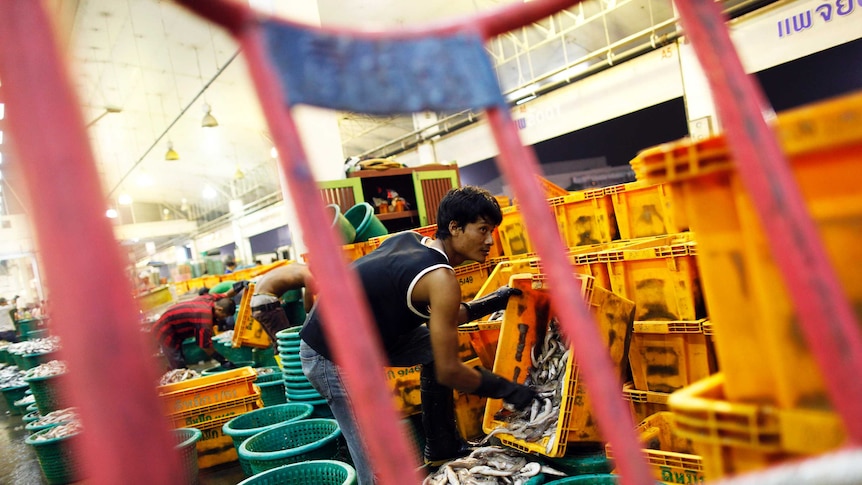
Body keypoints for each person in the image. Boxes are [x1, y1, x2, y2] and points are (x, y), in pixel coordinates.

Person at [300, 185, 536, 485]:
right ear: (455, 227)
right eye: (483, 230)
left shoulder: (411, 241)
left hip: (368, 336)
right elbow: (451, 371)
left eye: (492, 231)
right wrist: (511, 391)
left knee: (433, 349)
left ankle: (441, 448)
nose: (490, 240)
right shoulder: (440, 277)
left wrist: (494, 300)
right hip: (330, 353)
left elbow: (448, 313)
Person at [151, 282, 246, 370]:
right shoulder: (204, 318)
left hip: (174, 324)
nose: (222, 319)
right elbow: (205, 346)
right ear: (219, 309)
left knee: (179, 358)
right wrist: (223, 361)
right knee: (177, 362)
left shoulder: (210, 299)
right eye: (224, 316)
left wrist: (240, 285)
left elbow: (227, 294)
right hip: (165, 330)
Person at [250, 263, 315, 343]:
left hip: (255, 301)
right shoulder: (309, 276)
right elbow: (308, 308)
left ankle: (277, 355)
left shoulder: (299, 267)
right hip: (267, 302)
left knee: (277, 342)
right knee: (286, 341)